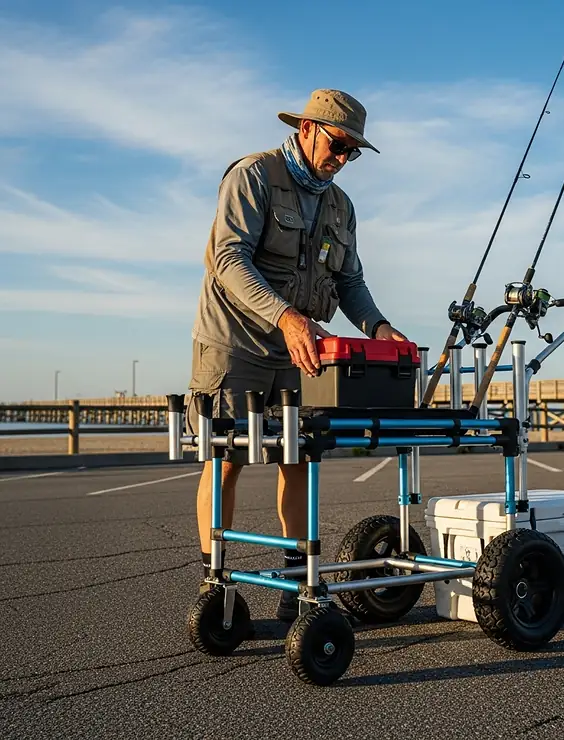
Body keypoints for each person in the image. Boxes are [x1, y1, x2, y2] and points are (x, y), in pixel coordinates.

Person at [185, 89, 407, 622]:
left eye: (353, 151)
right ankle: (216, 584)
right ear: (307, 130)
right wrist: (284, 316)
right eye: (337, 144)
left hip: (302, 347)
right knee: (227, 459)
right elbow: (228, 259)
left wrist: (380, 327)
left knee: (297, 457)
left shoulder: (340, 205)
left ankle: (294, 582)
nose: (342, 159)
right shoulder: (253, 177)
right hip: (235, 343)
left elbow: (349, 281)